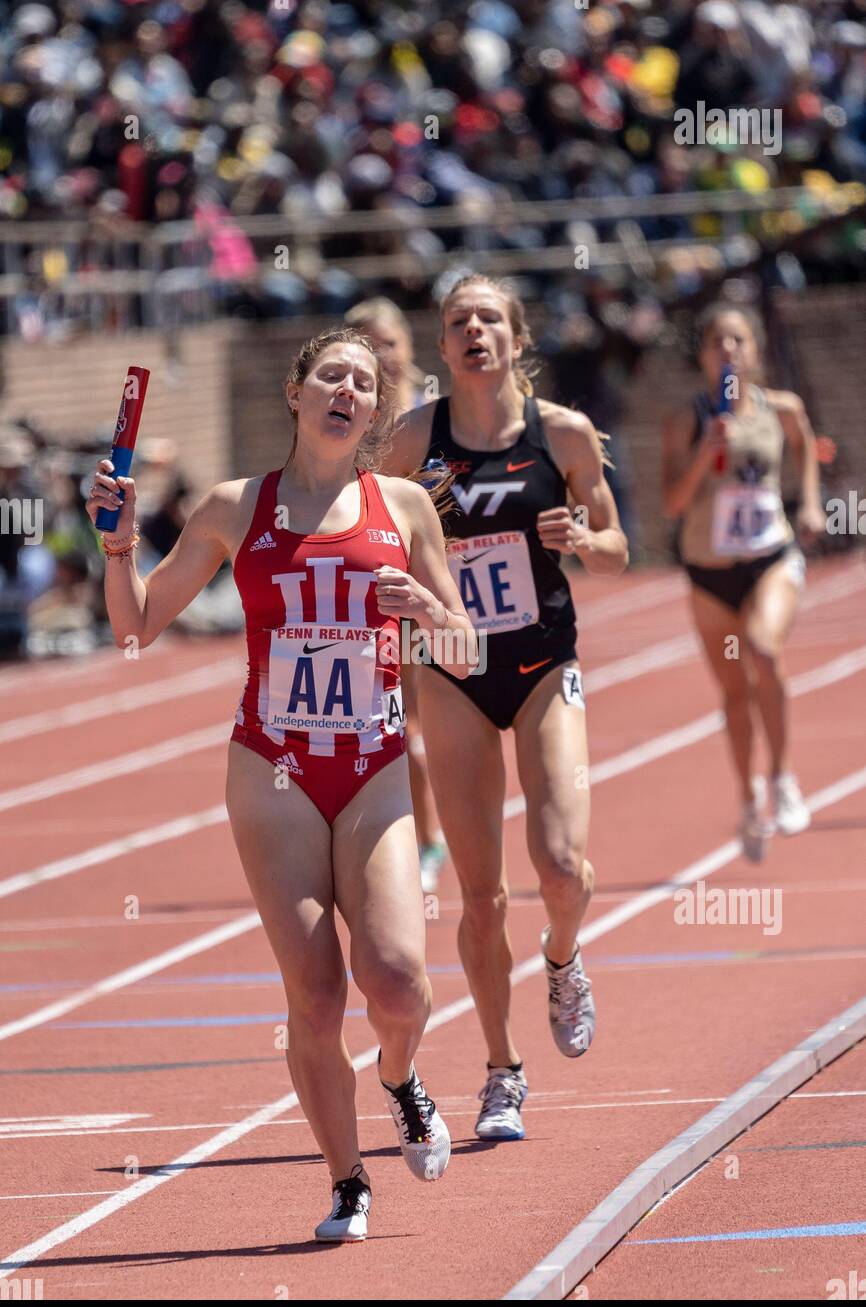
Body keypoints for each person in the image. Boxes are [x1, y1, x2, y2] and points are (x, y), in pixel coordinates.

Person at [86, 327, 477, 1242]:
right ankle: (347, 1182)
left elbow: (466, 650)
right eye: (331, 376)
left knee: (397, 981)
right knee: (317, 993)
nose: (347, 391)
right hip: (273, 767)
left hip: (373, 763)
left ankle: (398, 1075)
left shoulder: (405, 507)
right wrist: (117, 547)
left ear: (374, 412)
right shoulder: (234, 507)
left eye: (363, 383)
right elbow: (135, 628)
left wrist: (426, 609)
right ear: (296, 393)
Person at [381, 274, 628, 1142]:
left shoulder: (561, 433)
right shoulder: (414, 438)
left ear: (516, 339)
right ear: (443, 346)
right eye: (459, 321)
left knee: (561, 867)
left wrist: (584, 539)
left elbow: (618, 548)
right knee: (481, 896)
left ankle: (563, 956)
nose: (474, 331)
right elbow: (365, 527)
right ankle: (501, 1070)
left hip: (540, 663)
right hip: (453, 670)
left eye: (489, 318)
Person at [662, 303, 825, 860]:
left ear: (754, 351)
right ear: (703, 355)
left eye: (737, 340)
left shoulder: (782, 408)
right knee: (734, 694)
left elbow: (804, 445)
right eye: (716, 341)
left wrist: (810, 502)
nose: (727, 349)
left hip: (769, 556)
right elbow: (672, 503)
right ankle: (748, 796)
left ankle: (782, 776)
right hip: (709, 571)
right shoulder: (685, 420)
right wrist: (704, 452)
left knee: (763, 650)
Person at [344, 297, 449, 892]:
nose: (380, 354)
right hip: (381, 588)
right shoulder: (352, 414)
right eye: (366, 342)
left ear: (409, 345)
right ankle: (425, 840)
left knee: (446, 720)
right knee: (400, 722)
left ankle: (441, 831)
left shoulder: (434, 411)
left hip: (441, 584)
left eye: (388, 341)